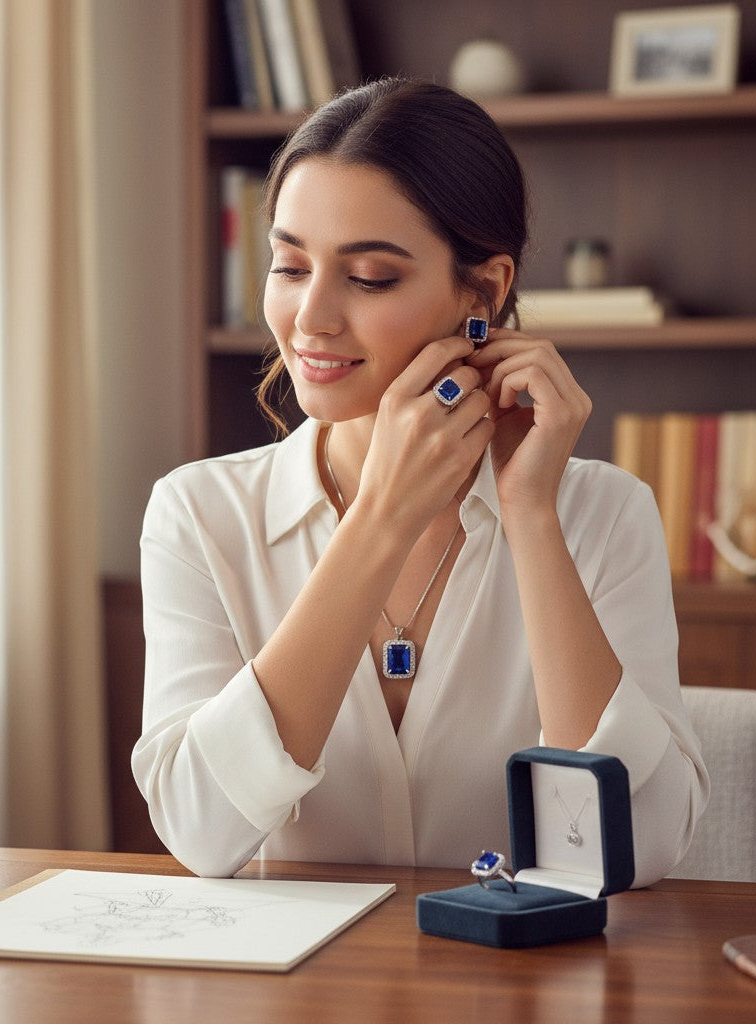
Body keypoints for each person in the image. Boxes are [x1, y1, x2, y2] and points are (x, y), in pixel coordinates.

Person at [131, 78, 708, 883]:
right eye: (290, 266)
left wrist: (531, 515)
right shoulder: (200, 514)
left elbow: (636, 849)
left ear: (484, 291)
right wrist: (380, 521)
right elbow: (201, 831)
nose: (311, 318)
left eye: (368, 277)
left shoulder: (603, 514)